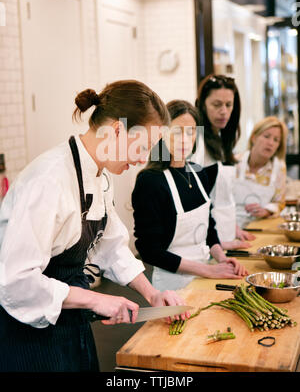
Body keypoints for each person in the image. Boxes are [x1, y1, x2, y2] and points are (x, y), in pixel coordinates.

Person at [0, 80, 189, 372]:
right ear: (116, 130)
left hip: (70, 321)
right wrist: (96, 299)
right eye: (141, 147)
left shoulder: (98, 176)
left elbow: (110, 246)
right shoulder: (49, 180)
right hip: (29, 332)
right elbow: (16, 281)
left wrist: (153, 295)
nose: (142, 159)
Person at [132, 99, 248, 292]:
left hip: (206, 274)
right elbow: (149, 251)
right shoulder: (150, 181)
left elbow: (208, 226)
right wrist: (206, 270)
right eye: (177, 131)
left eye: (191, 131)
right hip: (172, 285)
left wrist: (222, 258)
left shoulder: (198, 173)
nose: (185, 139)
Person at [192, 74, 255, 248]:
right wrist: (218, 243)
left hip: (224, 237)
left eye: (229, 105)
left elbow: (221, 197)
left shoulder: (222, 138)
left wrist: (233, 228)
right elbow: (195, 202)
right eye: (217, 105)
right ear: (203, 105)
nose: (224, 111)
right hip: (206, 242)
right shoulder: (196, 141)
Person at [233, 116, 288, 229]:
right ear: (254, 138)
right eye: (266, 136)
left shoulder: (279, 168)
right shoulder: (234, 163)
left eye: (276, 140)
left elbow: (279, 203)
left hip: (260, 228)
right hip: (232, 227)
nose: (271, 143)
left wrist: (267, 211)